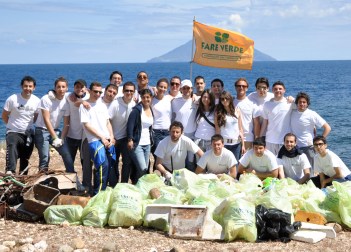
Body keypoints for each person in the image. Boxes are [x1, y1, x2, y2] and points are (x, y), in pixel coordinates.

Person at [79, 81, 116, 195]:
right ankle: (97, 194)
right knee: (101, 166)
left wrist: (111, 136)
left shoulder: (102, 105)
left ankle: (105, 192)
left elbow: (107, 122)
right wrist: (101, 137)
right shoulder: (84, 106)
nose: (98, 94)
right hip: (94, 140)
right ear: (89, 91)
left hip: (107, 139)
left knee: (110, 166)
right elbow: (86, 125)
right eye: (95, 91)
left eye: (100, 92)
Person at [2, 76, 40, 175]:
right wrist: (11, 126)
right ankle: (10, 172)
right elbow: (4, 115)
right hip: (13, 131)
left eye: (30, 86)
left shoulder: (37, 101)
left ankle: (22, 182)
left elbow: (36, 117)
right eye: (25, 86)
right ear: (21, 86)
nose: (28, 88)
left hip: (28, 133)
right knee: (12, 147)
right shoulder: (13, 99)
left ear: (34, 87)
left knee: (25, 157)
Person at [35, 76, 74, 172]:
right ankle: (42, 180)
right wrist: (55, 138)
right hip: (42, 130)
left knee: (66, 154)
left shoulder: (66, 101)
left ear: (67, 88)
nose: (61, 89)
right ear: (55, 87)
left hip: (56, 130)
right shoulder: (46, 99)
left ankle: (72, 176)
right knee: (45, 157)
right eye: (58, 87)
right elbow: (46, 119)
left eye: (63, 87)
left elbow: (66, 124)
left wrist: (62, 138)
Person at [290, 92, 331, 169]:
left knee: (312, 170)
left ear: (307, 104)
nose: (302, 104)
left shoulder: (312, 114)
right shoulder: (293, 112)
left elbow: (327, 128)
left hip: (309, 147)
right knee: (299, 169)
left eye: (304, 102)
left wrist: (319, 141)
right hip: (295, 147)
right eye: (300, 102)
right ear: (297, 103)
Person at [109, 82, 136, 184]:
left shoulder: (134, 105)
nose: (129, 92)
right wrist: (111, 137)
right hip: (115, 138)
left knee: (127, 163)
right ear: (123, 91)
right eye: (127, 90)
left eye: (131, 91)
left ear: (134, 92)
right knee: (113, 163)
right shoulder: (115, 103)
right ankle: (113, 184)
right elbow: (108, 121)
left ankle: (124, 184)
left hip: (127, 139)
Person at [127, 88, 154, 183]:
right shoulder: (137, 110)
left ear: (151, 98)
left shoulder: (151, 109)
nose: (146, 99)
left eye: (148, 97)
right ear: (141, 98)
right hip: (137, 143)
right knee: (142, 168)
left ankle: (138, 186)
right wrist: (130, 139)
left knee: (145, 168)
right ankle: (139, 185)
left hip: (147, 143)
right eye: (144, 97)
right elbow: (130, 125)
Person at [259, 81, 292, 155]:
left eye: (280, 89)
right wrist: (260, 138)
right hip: (270, 140)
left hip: (285, 141)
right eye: (275, 89)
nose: (278, 90)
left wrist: (293, 99)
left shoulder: (290, 104)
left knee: (284, 165)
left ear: (284, 90)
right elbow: (265, 122)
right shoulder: (267, 104)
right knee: (271, 165)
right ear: (272, 90)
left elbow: (302, 110)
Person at [171, 79, 197, 171]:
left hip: (192, 136)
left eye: (188, 88)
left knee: (190, 162)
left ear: (191, 89)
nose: (186, 90)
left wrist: (195, 96)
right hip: (179, 136)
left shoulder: (196, 101)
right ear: (181, 89)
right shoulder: (174, 101)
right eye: (184, 88)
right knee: (179, 160)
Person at [215, 91, 245, 162]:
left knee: (235, 164)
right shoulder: (218, 113)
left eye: (226, 98)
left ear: (230, 99)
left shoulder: (237, 111)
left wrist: (243, 145)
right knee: (223, 164)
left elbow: (240, 129)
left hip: (236, 144)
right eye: (222, 99)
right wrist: (218, 143)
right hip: (224, 144)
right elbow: (217, 130)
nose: (224, 101)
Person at [65, 79, 90, 165]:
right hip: (71, 135)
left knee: (85, 161)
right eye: (77, 87)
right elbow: (56, 93)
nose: (79, 89)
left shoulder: (90, 97)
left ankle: (85, 178)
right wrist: (82, 101)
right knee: (69, 160)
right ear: (74, 88)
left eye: (81, 87)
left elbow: (103, 91)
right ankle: (70, 177)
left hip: (85, 136)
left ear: (86, 88)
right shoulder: (69, 96)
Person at [233, 78, 256, 150]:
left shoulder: (252, 104)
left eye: (244, 86)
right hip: (233, 138)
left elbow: (256, 123)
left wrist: (256, 140)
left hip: (248, 139)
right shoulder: (230, 103)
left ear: (247, 88)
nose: (241, 87)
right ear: (235, 87)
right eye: (239, 86)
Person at [151, 78, 172, 155]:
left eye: (165, 87)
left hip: (168, 131)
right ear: (156, 86)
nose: (162, 89)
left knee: (166, 155)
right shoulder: (151, 100)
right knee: (157, 155)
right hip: (156, 132)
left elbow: (183, 97)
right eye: (161, 86)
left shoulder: (169, 98)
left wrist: (193, 96)